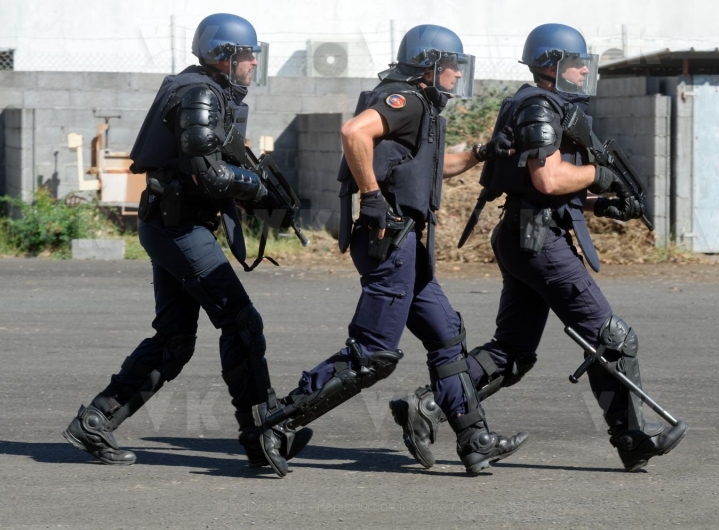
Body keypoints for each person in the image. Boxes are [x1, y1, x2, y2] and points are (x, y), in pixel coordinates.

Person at [390, 23, 688, 473]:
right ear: (550, 64)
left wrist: (602, 202)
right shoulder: (539, 106)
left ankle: (430, 406)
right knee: (613, 338)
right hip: (538, 242)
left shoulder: (548, 105)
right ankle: (631, 438)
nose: (584, 69)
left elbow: (548, 188)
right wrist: (597, 176)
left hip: (530, 235)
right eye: (576, 61)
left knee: (513, 351)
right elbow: (546, 179)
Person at [256, 24, 528, 475]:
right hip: (389, 241)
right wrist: (372, 195)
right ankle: (279, 424)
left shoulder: (421, 111)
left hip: (404, 243)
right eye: (451, 66)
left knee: (446, 334)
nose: (458, 75)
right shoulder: (405, 100)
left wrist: (483, 152)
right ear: (428, 66)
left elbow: (435, 169)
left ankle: (474, 439)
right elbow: (354, 133)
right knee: (374, 352)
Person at [62, 13, 311, 478]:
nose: (254, 62)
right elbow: (208, 173)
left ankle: (95, 421)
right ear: (224, 55)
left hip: (175, 224)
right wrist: (255, 188)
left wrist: (261, 191)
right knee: (241, 322)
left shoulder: (211, 91)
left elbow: (210, 165)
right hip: (177, 229)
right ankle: (262, 434)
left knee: (175, 340)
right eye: (247, 54)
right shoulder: (198, 92)